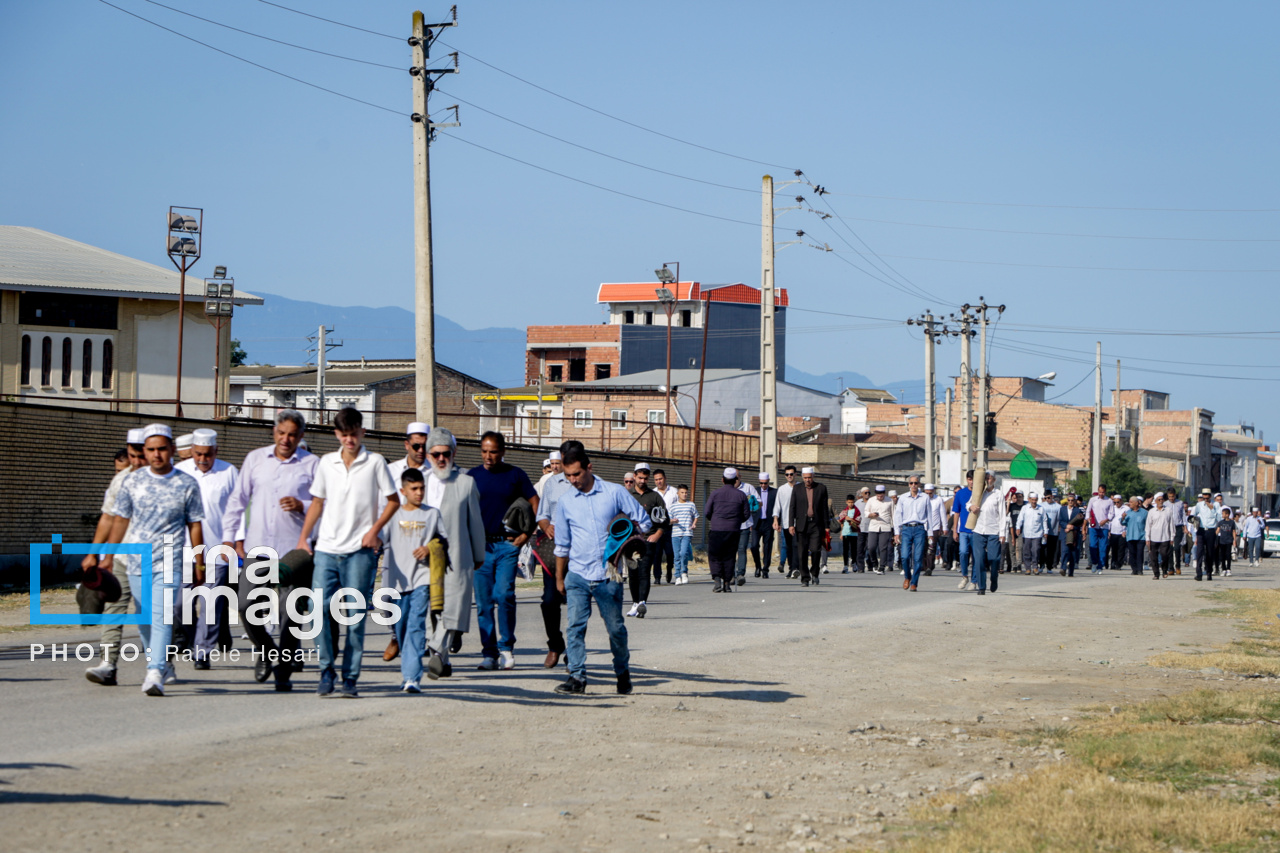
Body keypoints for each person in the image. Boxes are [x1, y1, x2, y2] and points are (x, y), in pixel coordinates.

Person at [297, 407, 399, 698]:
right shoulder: (327, 463)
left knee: (354, 616)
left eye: (354, 434)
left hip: (360, 551)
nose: (349, 440)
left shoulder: (376, 462)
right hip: (327, 549)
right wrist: (304, 538)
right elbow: (317, 502)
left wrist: (374, 530)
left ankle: (350, 677)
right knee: (319, 610)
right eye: (344, 435)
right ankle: (326, 670)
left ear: (362, 432)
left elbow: (392, 501)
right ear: (336, 434)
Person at [102, 424, 205, 696]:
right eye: (151, 450)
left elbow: (195, 525)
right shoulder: (132, 482)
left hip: (169, 559)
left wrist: (199, 560)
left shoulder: (186, 483)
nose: (157, 454)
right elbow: (121, 520)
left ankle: (155, 671)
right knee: (145, 618)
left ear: (172, 449)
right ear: (144, 452)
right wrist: (108, 556)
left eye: (162, 449)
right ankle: (158, 664)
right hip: (137, 560)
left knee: (161, 615)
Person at [222, 409, 319, 692]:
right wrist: (230, 539)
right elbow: (237, 501)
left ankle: (284, 671)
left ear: (301, 436)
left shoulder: (313, 464)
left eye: (292, 434)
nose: (286, 439)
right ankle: (266, 651)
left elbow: (325, 506)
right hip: (258, 549)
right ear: (273, 433)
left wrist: (302, 505)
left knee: (291, 614)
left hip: (295, 551)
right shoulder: (255, 459)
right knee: (244, 604)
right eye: (281, 433)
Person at [552, 444, 653, 695]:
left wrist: (629, 531)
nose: (573, 480)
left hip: (608, 574)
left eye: (576, 474)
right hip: (576, 573)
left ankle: (622, 672)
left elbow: (645, 520)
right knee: (575, 626)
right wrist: (559, 577)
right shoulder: (565, 502)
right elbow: (562, 544)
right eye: (568, 476)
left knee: (615, 628)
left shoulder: (614, 492)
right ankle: (577, 677)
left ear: (589, 467)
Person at [467, 431, 538, 671]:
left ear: (503, 451)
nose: (488, 456)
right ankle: (489, 654)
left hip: (508, 546)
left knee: (504, 594)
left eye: (494, 451)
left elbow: (535, 503)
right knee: (484, 601)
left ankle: (506, 648)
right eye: (485, 451)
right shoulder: (472, 476)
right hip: (481, 547)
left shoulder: (515, 475)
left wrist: (527, 534)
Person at [420, 427, 486, 679]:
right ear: (428, 455)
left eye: (445, 453)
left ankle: (437, 651)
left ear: (454, 453)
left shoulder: (466, 483)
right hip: (424, 559)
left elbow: (475, 523)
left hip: (457, 556)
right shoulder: (419, 483)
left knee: (454, 606)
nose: (441, 459)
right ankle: (443, 660)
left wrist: (478, 555)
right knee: (431, 608)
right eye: (435, 454)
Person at [83, 428, 146, 686]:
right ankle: (108, 665)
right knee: (114, 608)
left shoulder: (171, 479)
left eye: (141, 456)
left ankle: (161, 663)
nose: (136, 462)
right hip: (122, 556)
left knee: (151, 615)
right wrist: (94, 554)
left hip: (156, 559)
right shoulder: (120, 481)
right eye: (132, 456)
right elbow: (108, 518)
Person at [174, 428, 239, 670]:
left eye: (208, 455)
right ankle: (192, 641)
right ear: (191, 451)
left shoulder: (229, 472)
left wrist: (233, 542)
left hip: (217, 549)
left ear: (216, 451)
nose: (203, 459)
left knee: (211, 604)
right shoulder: (179, 472)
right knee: (180, 604)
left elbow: (239, 510)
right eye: (198, 454)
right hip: (184, 549)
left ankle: (202, 651)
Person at [381, 467, 444, 692]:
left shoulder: (432, 514)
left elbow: (444, 540)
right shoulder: (392, 514)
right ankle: (407, 666)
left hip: (422, 578)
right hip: (397, 581)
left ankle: (412, 677)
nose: (419, 493)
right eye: (414, 489)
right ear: (403, 490)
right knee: (401, 627)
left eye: (422, 488)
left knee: (417, 625)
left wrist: (430, 547)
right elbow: (379, 540)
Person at [383, 421, 430, 663]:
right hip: (395, 542)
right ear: (406, 444)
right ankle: (396, 636)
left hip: (425, 544)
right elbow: (382, 505)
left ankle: (418, 644)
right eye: (416, 445)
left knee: (421, 598)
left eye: (425, 445)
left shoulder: (435, 472)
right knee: (391, 597)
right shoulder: (391, 471)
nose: (421, 450)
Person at [534, 443, 574, 668]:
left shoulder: (588, 483)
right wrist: (546, 525)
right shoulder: (551, 483)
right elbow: (542, 514)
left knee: (577, 602)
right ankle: (555, 643)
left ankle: (575, 649)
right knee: (549, 601)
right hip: (555, 548)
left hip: (579, 551)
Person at [704, 468, 750, 593]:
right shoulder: (741, 495)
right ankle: (727, 583)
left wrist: (714, 520)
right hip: (733, 530)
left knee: (715, 556)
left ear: (723, 480)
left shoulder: (715, 493)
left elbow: (707, 512)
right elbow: (746, 514)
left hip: (717, 529)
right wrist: (736, 521)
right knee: (729, 557)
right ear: (735, 480)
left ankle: (717, 580)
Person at [630, 463, 665, 617]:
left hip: (648, 540)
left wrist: (658, 534)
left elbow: (664, 519)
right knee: (633, 573)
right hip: (630, 540)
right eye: (639, 478)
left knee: (644, 571)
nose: (642, 481)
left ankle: (642, 603)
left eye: (645, 478)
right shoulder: (628, 496)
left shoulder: (655, 497)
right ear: (634, 476)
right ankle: (635, 603)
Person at [788, 467, 830, 587]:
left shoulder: (821, 488)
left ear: (813, 476)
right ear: (802, 477)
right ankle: (805, 578)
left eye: (809, 477)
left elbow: (824, 509)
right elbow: (792, 507)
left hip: (816, 525)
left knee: (816, 550)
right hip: (802, 525)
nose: (807, 480)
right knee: (802, 553)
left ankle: (815, 574)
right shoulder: (797, 488)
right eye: (805, 478)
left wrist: (827, 526)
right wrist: (791, 524)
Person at [968, 471, 1006, 595]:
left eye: (990, 478)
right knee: (978, 560)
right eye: (986, 478)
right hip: (979, 530)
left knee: (994, 558)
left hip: (993, 531)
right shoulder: (979, 492)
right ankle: (982, 586)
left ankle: (994, 578)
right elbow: (968, 503)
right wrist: (971, 507)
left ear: (994, 480)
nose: (988, 480)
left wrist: (1002, 533)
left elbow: (1002, 515)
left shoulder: (998, 494)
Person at [893, 477, 930, 591]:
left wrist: (930, 533)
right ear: (908, 484)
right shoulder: (903, 498)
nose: (913, 485)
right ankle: (907, 577)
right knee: (904, 556)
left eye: (916, 483)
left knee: (918, 558)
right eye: (911, 483)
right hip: (906, 529)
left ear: (919, 484)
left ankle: (914, 582)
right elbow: (898, 515)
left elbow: (929, 515)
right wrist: (897, 532)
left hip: (919, 528)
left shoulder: (925, 497)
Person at [651, 468, 679, 584]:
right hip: (657, 527)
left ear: (665, 478)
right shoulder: (652, 493)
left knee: (670, 552)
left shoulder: (674, 492)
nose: (659, 482)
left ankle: (669, 570)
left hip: (670, 527)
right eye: (656, 480)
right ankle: (657, 577)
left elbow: (679, 506)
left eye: (660, 479)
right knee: (656, 553)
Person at [734, 472, 761, 586]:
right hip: (731, 524)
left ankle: (740, 574)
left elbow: (760, 503)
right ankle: (730, 573)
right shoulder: (727, 489)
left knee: (741, 548)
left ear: (740, 477)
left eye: (737, 477)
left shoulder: (748, 487)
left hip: (745, 524)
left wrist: (751, 501)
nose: (735, 480)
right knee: (731, 550)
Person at [669, 484, 699, 584]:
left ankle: (684, 572)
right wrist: (673, 521)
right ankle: (677, 576)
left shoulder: (691, 504)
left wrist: (694, 524)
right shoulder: (673, 506)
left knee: (683, 553)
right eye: (682, 492)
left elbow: (696, 516)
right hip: (675, 533)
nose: (684, 494)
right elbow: (668, 520)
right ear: (678, 493)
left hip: (687, 532)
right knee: (677, 555)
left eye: (686, 493)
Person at [750, 472, 778, 578]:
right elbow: (750, 507)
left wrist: (776, 521)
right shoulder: (755, 492)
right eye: (761, 483)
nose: (763, 485)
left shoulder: (774, 492)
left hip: (768, 523)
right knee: (754, 546)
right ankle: (758, 566)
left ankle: (765, 569)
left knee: (767, 547)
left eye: (765, 483)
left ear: (768, 482)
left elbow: (777, 508)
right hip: (756, 523)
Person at [772, 466, 798, 577]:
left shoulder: (800, 487)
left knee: (797, 545)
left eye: (791, 474)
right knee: (788, 546)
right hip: (786, 522)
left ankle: (797, 567)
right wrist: (776, 519)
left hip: (799, 523)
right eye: (787, 474)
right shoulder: (782, 489)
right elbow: (777, 505)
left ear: (795, 474)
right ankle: (791, 568)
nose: (789, 476)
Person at [951, 471, 975, 590]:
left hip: (976, 530)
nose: (972, 481)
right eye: (970, 479)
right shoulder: (960, 493)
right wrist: (955, 530)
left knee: (976, 556)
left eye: (974, 479)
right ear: (967, 480)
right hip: (964, 530)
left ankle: (974, 580)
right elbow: (956, 512)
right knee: (963, 552)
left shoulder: (980, 493)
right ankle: (965, 576)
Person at [1145, 492, 1176, 580]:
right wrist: (1147, 538)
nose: (1160, 501)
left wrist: (1172, 537)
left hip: (1165, 537)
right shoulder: (1151, 511)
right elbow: (1148, 526)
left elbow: (1171, 525)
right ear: (1155, 501)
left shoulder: (1168, 511)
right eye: (1159, 499)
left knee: (1165, 555)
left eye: (1162, 499)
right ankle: (1156, 573)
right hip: (1153, 538)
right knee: (1153, 557)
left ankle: (1164, 570)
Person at [1015, 492, 1047, 575]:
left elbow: (1044, 521)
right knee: (1026, 551)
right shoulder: (1025, 508)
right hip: (1027, 533)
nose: (1034, 502)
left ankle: (1035, 567)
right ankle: (1028, 568)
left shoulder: (1041, 509)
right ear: (1029, 499)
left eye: (1035, 500)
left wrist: (1046, 531)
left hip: (1037, 533)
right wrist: (1018, 527)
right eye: (1032, 500)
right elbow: (1020, 519)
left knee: (1035, 550)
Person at [864, 485, 894, 576]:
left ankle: (882, 567)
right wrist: (871, 514)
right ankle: (874, 562)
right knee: (871, 547)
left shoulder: (890, 501)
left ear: (884, 493)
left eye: (881, 496)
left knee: (883, 548)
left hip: (885, 527)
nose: (880, 497)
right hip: (873, 526)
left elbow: (893, 515)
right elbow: (866, 512)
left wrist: (894, 529)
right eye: (878, 496)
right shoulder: (871, 500)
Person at [1086, 486, 1116, 573]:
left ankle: (1100, 565)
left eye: (1103, 492)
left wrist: (1106, 520)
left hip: (1104, 527)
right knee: (1093, 545)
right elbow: (1088, 511)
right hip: (1093, 527)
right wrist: (1088, 519)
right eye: (1100, 492)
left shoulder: (1109, 501)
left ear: (1105, 492)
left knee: (1103, 547)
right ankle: (1094, 562)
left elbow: (1112, 514)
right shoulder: (1093, 500)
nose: (1101, 494)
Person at [1191, 488, 1219, 581]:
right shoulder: (1199, 505)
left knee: (1210, 553)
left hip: (1211, 530)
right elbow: (1193, 515)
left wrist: (1212, 508)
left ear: (1210, 496)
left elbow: (1219, 517)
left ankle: (1209, 572)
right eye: (1204, 496)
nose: (1206, 498)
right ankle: (1199, 574)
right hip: (1201, 530)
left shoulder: (1216, 505)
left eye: (1207, 496)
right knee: (1199, 552)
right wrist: (1193, 520)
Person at [923, 483, 947, 576]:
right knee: (923, 548)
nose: (929, 495)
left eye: (930, 493)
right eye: (927, 493)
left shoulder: (938, 499)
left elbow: (942, 514)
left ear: (933, 491)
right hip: (923, 528)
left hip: (934, 528)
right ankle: (925, 566)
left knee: (931, 548)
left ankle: (929, 567)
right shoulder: (921, 499)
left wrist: (944, 527)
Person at [1060, 494, 1085, 577]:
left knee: (1072, 553)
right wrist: (1066, 526)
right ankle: (1063, 568)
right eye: (1069, 500)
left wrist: (1072, 527)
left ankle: (1071, 571)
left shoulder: (1077, 511)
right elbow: (1060, 521)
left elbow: (1080, 524)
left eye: (1072, 500)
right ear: (1067, 501)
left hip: (1074, 534)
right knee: (1064, 551)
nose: (1070, 502)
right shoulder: (1062, 509)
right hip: (1065, 533)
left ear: (1075, 501)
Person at [1124, 496, 1148, 575]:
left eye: (1131, 502)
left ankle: (1140, 569)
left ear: (1137, 503)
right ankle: (1134, 569)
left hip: (1141, 536)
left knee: (1140, 553)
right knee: (1132, 554)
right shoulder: (1128, 512)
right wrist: (1122, 518)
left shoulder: (1144, 513)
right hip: (1130, 536)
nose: (1129, 504)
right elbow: (1123, 523)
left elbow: (1148, 524)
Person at [1040, 490, 1061, 573]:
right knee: (1042, 549)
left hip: (1053, 531)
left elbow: (1059, 519)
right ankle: (1041, 565)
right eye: (1046, 498)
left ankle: (1049, 567)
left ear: (1052, 496)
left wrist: (1058, 528)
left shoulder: (1057, 506)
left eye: (1049, 497)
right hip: (1043, 532)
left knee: (1051, 550)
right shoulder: (1041, 506)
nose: (1047, 499)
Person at [1167, 488, 1186, 572]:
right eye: (1170, 497)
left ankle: (1178, 566)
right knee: (1170, 548)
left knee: (1177, 547)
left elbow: (1183, 515)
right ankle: (1171, 568)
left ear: (1175, 495)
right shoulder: (1165, 504)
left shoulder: (1180, 503)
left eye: (1173, 496)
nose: (1172, 498)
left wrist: (1185, 526)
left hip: (1178, 526)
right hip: (1168, 527)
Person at [838, 495, 859, 573]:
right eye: (849, 502)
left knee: (854, 550)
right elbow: (840, 521)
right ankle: (845, 565)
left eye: (852, 502)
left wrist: (850, 519)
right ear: (846, 502)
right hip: (845, 533)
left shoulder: (857, 511)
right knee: (845, 550)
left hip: (853, 533)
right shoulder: (844, 511)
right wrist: (841, 533)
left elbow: (859, 521)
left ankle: (854, 563)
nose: (851, 504)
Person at [1107, 494, 1128, 571]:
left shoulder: (1126, 508)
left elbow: (1127, 521)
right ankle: (1113, 563)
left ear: (1121, 501)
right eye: (1115, 502)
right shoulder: (1111, 508)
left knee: (1121, 549)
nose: (1116, 504)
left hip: (1122, 532)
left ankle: (1119, 564)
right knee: (1114, 549)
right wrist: (1109, 530)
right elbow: (1109, 520)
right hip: (1113, 531)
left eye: (1118, 502)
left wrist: (1125, 530)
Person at [853, 486, 871, 572]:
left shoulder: (872, 502)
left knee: (870, 548)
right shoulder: (857, 503)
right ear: (862, 494)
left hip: (871, 528)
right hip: (860, 529)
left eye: (869, 493)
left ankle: (871, 565)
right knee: (860, 548)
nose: (867, 494)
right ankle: (860, 567)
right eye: (865, 493)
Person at [1217, 508, 1237, 577]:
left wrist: (1234, 540)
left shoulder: (1232, 522)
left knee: (1228, 555)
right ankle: (1223, 569)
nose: (1222, 515)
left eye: (1223, 513)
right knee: (1222, 555)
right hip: (1222, 541)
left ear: (1227, 514)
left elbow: (1234, 531)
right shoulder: (1220, 522)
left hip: (1229, 540)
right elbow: (1217, 530)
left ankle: (1228, 569)